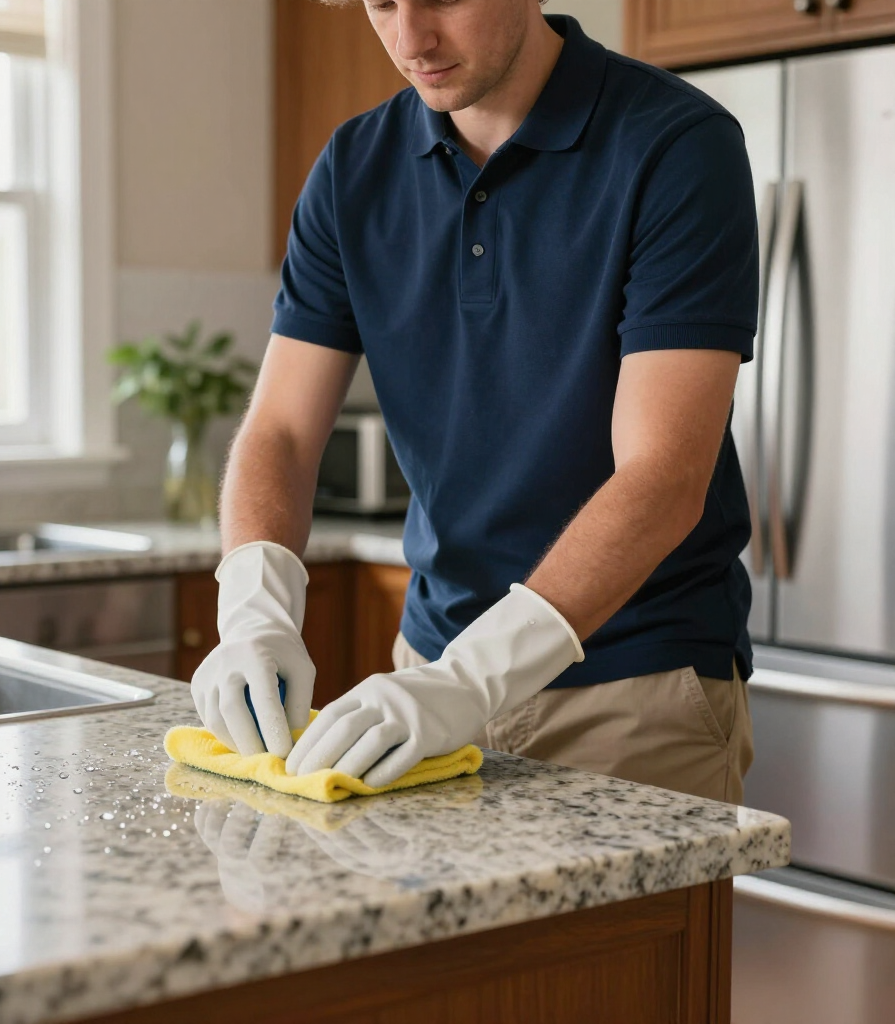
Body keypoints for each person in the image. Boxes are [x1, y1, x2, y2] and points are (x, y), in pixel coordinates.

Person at [192, 1, 758, 804]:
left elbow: (664, 473)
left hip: (634, 687)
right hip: (425, 673)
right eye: (381, 2)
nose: (410, 39)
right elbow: (280, 430)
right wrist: (253, 608)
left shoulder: (675, 145)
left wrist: (472, 679)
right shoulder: (354, 167)